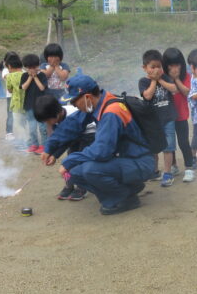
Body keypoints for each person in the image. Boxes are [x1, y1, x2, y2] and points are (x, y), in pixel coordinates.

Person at [57, 75, 154, 215]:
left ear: (88, 97)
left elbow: (102, 151)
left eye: (74, 101)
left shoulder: (111, 112)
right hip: (127, 160)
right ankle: (124, 191)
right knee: (73, 172)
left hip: (139, 162)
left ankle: (126, 197)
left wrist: (70, 160)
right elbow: (73, 126)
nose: (73, 105)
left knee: (89, 169)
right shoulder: (102, 103)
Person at [34, 94, 96, 201]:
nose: (47, 123)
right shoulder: (57, 119)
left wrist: (49, 150)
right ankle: (70, 184)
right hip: (75, 137)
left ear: (57, 114)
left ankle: (82, 187)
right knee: (70, 157)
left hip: (89, 134)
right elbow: (64, 139)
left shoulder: (73, 115)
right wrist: (54, 155)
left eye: (47, 120)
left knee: (78, 160)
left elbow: (64, 136)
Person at [139, 49, 178, 187]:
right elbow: (147, 96)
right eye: (152, 67)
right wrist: (154, 81)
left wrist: (159, 79)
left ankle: (167, 173)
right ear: (145, 68)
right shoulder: (143, 82)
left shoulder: (165, 78)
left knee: (168, 147)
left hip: (168, 118)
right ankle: (154, 171)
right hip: (152, 121)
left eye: (159, 66)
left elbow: (174, 89)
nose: (156, 69)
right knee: (154, 148)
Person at [162, 48, 195, 182]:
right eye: (171, 65)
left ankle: (189, 168)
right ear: (166, 65)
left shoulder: (186, 76)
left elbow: (187, 92)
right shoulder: (162, 76)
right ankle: (174, 166)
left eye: (177, 65)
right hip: (167, 115)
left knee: (183, 142)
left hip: (181, 114)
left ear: (181, 64)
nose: (174, 68)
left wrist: (176, 79)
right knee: (170, 144)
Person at [20, 53, 47, 154]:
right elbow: (23, 87)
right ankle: (34, 144)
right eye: (29, 67)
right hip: (29, 105)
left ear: (38, 65)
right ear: (25, 67)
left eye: (34, 67)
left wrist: (35, 77)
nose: (32, 69)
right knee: (31, 127)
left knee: (42, 127)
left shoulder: (42, 75)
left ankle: (44, 145)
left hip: (41, 106)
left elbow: (42, 88)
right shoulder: (24, 75)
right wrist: (30, 77)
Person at [0, 51, 20, 141]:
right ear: (6, 62)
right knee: (10, 114)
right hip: (10, 96)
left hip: (21, 95)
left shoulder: (20, 70)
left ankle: (23, 131)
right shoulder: (5, 70)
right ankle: (9, 133)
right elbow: (7, 77)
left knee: (22, 113)